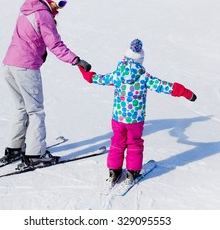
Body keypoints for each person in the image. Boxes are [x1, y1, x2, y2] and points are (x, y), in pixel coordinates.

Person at [78, 39, 197, 185]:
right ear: (140, 60)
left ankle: (114, 170)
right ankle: (132, 171)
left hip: (118, 118)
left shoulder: (117, 75)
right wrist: (185, 92)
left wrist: (84, 71)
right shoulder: (144, 77)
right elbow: (164, 86)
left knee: (117, 141)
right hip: (135, 120)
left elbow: (98, 79)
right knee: (134, 143)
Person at [1, 0, 92, 169]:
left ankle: (14, 148)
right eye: (61, 3)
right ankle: (35, 154)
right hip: (25, 67)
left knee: (21, 108)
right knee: (36, 111)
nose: (61, 8)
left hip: (10, 64)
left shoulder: (28, 9)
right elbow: (55, 44)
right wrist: (76, 60)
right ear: (51, 0)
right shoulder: (43, 14)